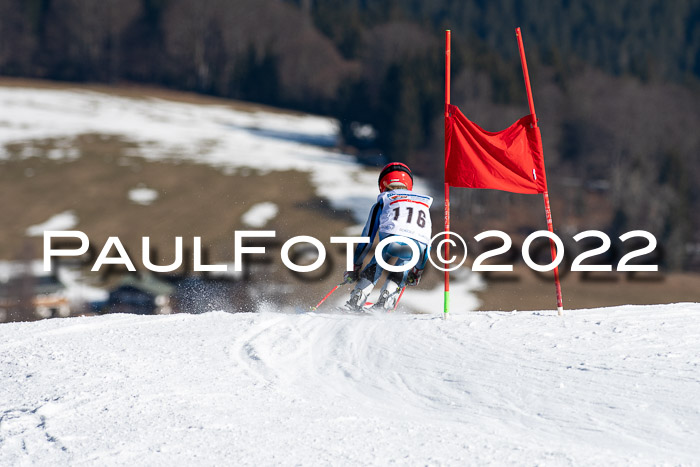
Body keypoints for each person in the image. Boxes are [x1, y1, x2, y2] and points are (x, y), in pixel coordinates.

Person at [344, 162, 432, 311]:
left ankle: (357, 298)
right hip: (416, 247)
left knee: (378, 261)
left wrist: (354, 265)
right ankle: (386, 300)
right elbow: (426, 242)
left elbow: (367, 238)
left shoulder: (384, 201)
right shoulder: (423, 204)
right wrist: (417, 271)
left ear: (382, 184)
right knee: (404, 264)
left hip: (391, 242)